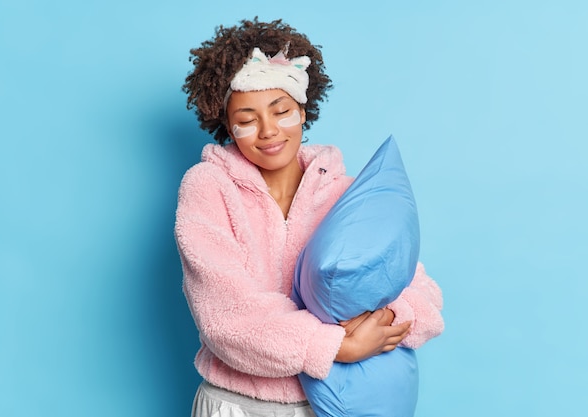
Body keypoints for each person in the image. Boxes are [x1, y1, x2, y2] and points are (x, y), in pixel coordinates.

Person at [175, 17, 444, 416]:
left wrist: (383, 321)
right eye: (247, 120)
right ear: (227, 127)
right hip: (236, 404)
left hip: (324, 405)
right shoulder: (209, 188)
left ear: (303, 110)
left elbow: (422, 297)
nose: (268, 131)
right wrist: (336, 345)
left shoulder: (346, 193)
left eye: (280, 110)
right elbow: (225, 317)